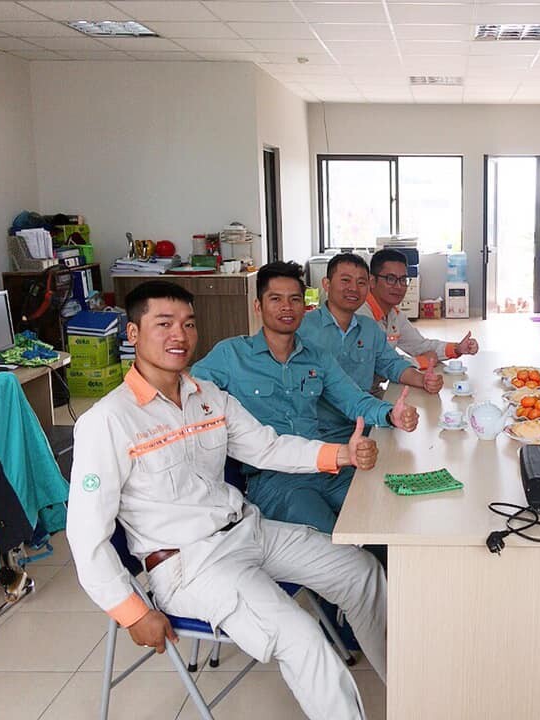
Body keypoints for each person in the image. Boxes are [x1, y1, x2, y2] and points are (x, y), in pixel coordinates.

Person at [66, 280, 386, 720]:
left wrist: (341, 455)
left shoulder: (208, 397)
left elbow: (267, 447)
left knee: (362, 571)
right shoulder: (107, 421)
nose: (179, 335)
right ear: (133, 333)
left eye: (188, 324)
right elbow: (86, 537)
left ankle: (410, 690)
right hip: (190, 564)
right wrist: (132, 612)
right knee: (303, 638)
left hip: (247, 531)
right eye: (164, 324)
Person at [193, 261, 419, 533]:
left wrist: (390, 414)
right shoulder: (232, 355)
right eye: (275, 299)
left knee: (386, 517)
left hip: (325, 465)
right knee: (333, 536)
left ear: (304, 306)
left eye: (294, 299)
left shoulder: (317, 357)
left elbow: (353, 399)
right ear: (258, 306)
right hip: (275, 479)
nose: (286, 307)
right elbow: (188, 393)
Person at [298, 253, 443, 441]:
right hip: (320, 433)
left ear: (369, 286)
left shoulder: (368, 328)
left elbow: (392, 364)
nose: (353, 288)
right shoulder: (304, 329)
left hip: (365, 421)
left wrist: (423, 380)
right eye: (345, 280)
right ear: (326, 284)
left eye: (361, 283)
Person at [359, 248, 479, 371]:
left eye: (403, 279)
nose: (399, 286)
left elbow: (419, 346)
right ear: (372, 281)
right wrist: (421, 361)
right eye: (391, 279)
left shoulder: (394, 314)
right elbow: (376, 363)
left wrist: (457, 348)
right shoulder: (361, 316)